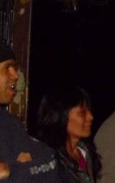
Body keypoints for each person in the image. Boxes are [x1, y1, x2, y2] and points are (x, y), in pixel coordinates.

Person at [0, 41, 58, 182]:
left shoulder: (9, 124)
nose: (15, 75)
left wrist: (11, 170)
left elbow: (51, 162)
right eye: (8, 68)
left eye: (15, 68)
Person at [37, 84, 101, 182]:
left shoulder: (86, 153)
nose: (90, 117)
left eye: (89, 111)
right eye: (82, 113)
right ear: (61, 116)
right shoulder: (46, 158)